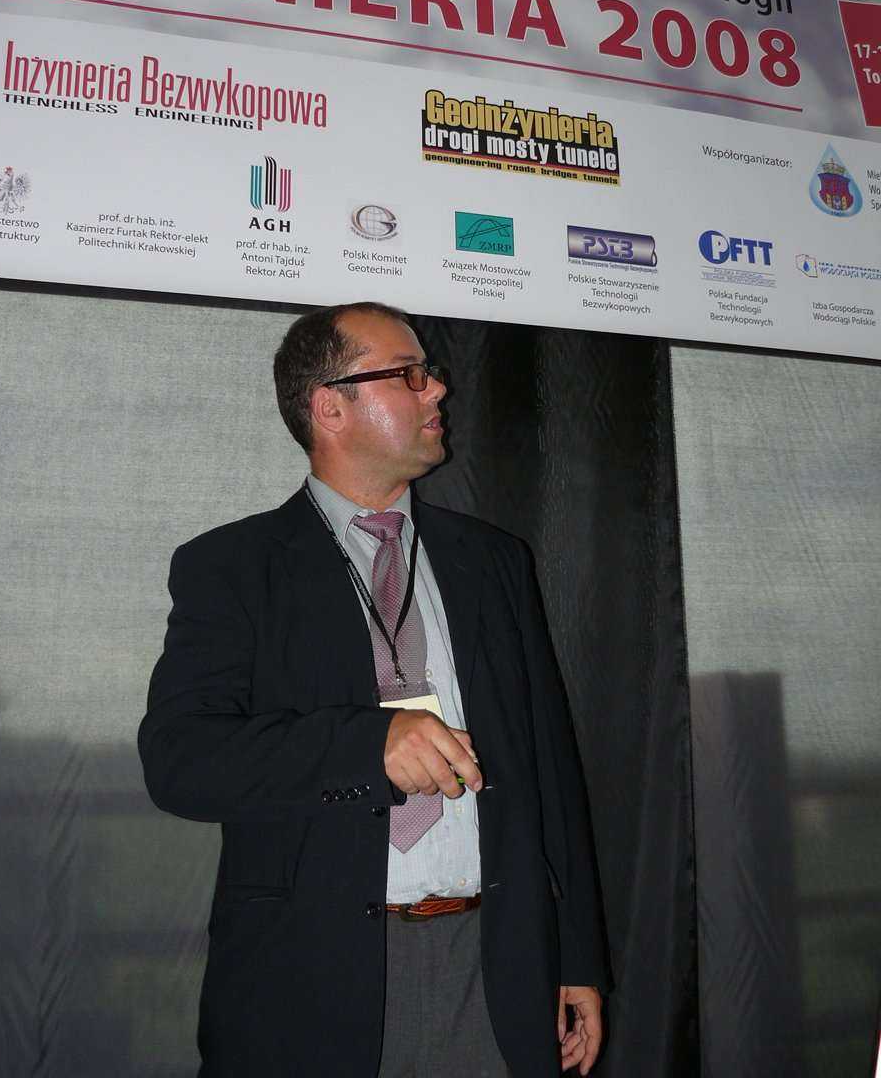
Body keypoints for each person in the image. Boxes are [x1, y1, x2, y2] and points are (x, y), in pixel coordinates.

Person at [139, 301, 609, 1077]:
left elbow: (550, 768)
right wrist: (367, 744)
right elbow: (180, 760)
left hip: (493, 969)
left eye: (432, 374)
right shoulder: (233, 567)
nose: (439, 390)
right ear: (330, 406)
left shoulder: (493, 561)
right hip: (310, 982)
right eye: (410, 375)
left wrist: (578, 953)